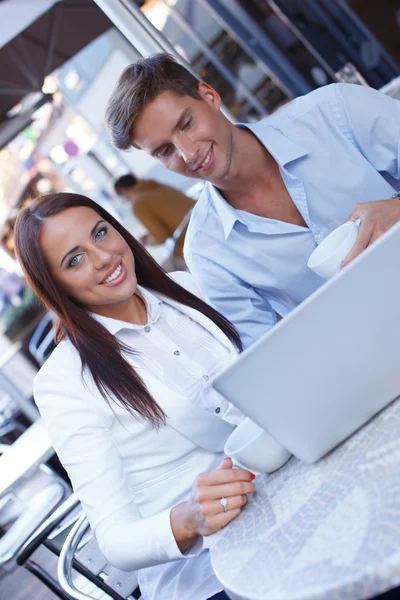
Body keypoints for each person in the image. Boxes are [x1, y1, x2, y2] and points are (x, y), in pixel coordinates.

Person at [14, 192, 256, 600]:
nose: (104, 257)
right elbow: (114, 540)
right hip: (209, 573)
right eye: (74, 259)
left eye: (101, 233)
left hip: (279, 496)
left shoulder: (184, 288)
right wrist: (189, 518)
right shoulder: (64, 379)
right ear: (56, 288)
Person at [105, 54, 400, 348]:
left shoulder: (334, 112)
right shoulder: (208, 252)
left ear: (209, 96)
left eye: (186, 124)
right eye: (164, 151)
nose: (188, 153)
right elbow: (269, 354)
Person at [114, 173, 194, 268]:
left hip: (190, 243)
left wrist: (146, 241)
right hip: (205, 223)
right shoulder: (157, 186)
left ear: (122, 191)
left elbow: (160, 237)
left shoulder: (138, 203)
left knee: (161, 273)